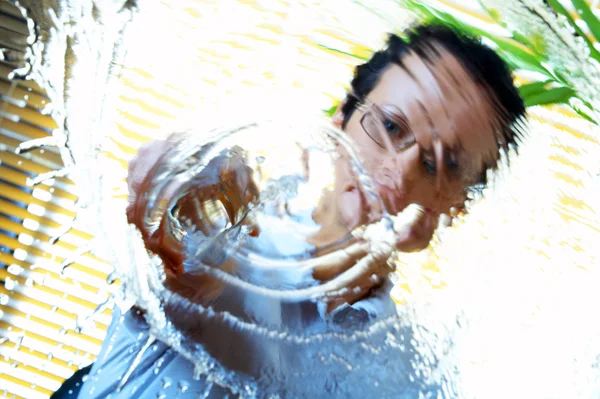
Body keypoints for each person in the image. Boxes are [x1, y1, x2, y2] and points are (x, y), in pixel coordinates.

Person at [55, 23, 525, 399]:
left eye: (435, 165)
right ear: (342, 117)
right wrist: (186, 173)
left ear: (456, 207)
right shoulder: (231, 242)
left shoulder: (411, 379)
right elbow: (168, 215)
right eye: (389, 125)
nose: (399, 175)